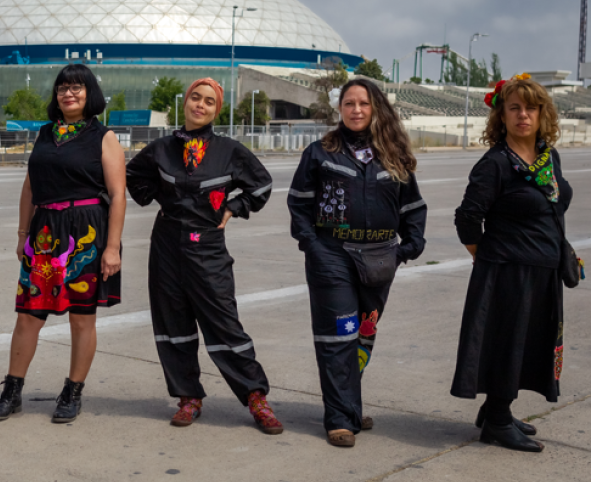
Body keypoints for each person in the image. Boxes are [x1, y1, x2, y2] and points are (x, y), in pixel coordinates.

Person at [125, 78, 283, 433]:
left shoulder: (229, 151)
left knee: (223, 320)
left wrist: (233, 208)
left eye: (209, 101)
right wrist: (157, 197)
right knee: (172, 322)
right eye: (196, 97)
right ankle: (188, 397)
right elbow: (133, 174)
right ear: (186, 102)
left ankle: (256, 398)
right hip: (166, 243)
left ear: (217, 110)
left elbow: (262, 184)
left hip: (207, 243)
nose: (201, 105)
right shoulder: (162, 148)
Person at [287, 78, 426, 447]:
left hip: (381, 258)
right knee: (338, 334)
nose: (357, 110)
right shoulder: (320, 152)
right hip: (333, 255)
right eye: (349, 103)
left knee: (363, 332)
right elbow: (299, 204)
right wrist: (313, 247)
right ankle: (339, 418)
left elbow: (412, 206)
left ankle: (349, 403)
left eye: (364, 103)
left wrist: (406, 249)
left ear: (376, 107)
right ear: (340, 109)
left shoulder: (394, 154)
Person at [0, 64, 125, 424]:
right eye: (62, 88)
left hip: (86, 233)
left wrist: (112, 247)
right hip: (45, 233)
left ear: (89, 93)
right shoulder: (45, 134)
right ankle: (12, 390)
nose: (68, 93)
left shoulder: (103, 137)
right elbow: (30, 187)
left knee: (82, 318)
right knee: (28, 316)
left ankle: (72, 392)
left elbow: (118, 193)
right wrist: (22, 234)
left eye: (77, 88)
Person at [451, 74, 573, 453]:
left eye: (531, 108)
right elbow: (467, 218)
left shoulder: (547, 156)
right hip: (507, 271)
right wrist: (489, 260)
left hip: (542, 270)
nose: (523, 115)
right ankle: (498, 423)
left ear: (542, 114)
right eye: (514, 108)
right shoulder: (495, 164)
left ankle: (494, 410)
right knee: (508, 343)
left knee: (528, 343)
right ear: (501, 116)